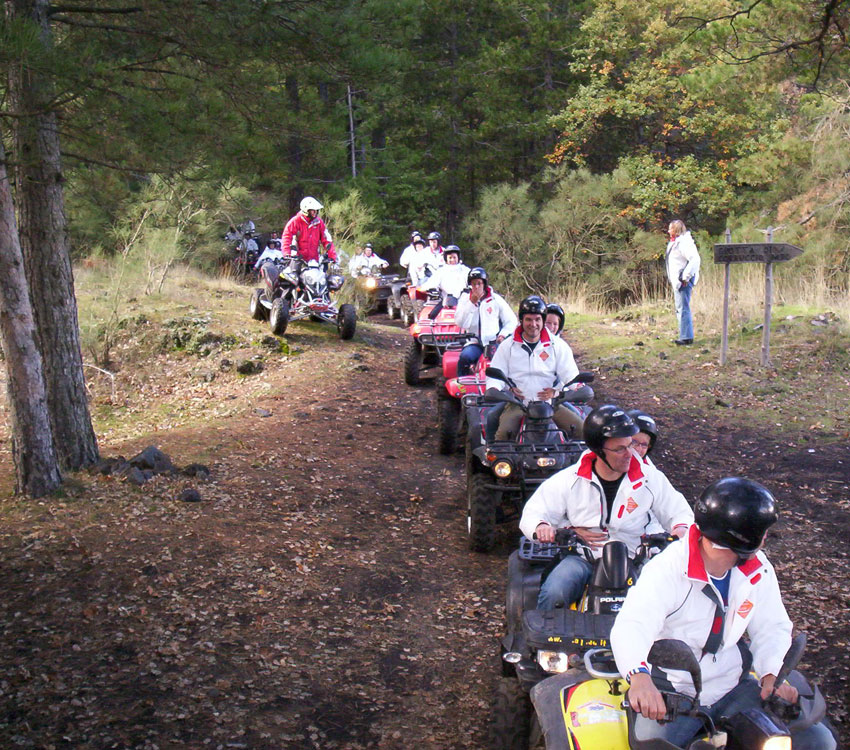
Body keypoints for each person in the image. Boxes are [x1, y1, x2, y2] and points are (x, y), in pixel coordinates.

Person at [612, 477, 835, 750]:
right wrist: (639, 677)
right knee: (652, 746)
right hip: (673, 688)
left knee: (816, 740)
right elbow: (633, 624)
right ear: (745, 536)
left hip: (732, 685)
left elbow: (772, 626)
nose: (765, 538)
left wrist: (771, 674)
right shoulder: (667, 569)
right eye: (763, 531)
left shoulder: (757, 568)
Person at [519, 405, 693, 609]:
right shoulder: (570, 480)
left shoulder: (650, 479)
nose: (630, 454)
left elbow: (678, 510)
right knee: (555, 592)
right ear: (599, 451)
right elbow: (534, 512)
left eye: (630, 445)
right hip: (584, 556)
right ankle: (545, 641)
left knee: (670, 598)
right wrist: (542, 527)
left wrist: (681, 528)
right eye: (620, 449)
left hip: (634, 556)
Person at [486, 296, 588, 442]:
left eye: (537, 319)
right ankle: (496, 461)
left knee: (581, 429)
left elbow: (570, 375)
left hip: (551, 405)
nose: (533, 324)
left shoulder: (558, 345)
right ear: (521, 320)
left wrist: (566, 390)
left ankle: (579, 463)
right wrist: (498, 389)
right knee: (503, 435)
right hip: (519, 404)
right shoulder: (507, 346)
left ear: (542, 320)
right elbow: (496, 375)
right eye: (528, 319)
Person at [453, 267, 516, 376]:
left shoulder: (496, 300)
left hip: (493, 343)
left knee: (505, 361)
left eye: (479, 283)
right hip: (474, 342)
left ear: (484, 284)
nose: (476, 287)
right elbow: (460, 322)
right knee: (465, 357)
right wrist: (471, 304)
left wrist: (502, 335)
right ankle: (462, 385)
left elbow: (511, 321)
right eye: (474, 284)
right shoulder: (464, 300)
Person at [666, 219, 700, 346]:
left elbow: (695, 260)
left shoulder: (684, 243)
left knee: (682, 308)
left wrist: (685, 277)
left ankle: (686, 337)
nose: (669, 231)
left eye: (671, 228)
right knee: (681, 307)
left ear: (676, 230)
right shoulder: (676, 242)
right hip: (679, 279)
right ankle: (685, 335)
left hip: (683, 280)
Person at [281, 196, 338, 266]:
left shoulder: (319, 222)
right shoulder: (295, 221)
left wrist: (332, 255)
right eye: (313, 210)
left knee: (321, 276)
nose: (315, 212)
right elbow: (286, 237)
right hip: (297, 260)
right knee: (291, 275)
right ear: (306, 210)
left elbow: (326, 239)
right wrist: (287, 254)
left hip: (314, 261)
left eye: (316, 210)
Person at [418, 245, 470, 319]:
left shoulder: (465, 270)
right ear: (446, 258)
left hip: (464, 302)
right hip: (446, 302)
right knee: (431, 317)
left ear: (458, 257)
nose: (452, 260)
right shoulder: (441, 271)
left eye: (454, 257)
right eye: (450, 257)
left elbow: (473, 281)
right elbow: (431, 283)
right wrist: (425, 288)